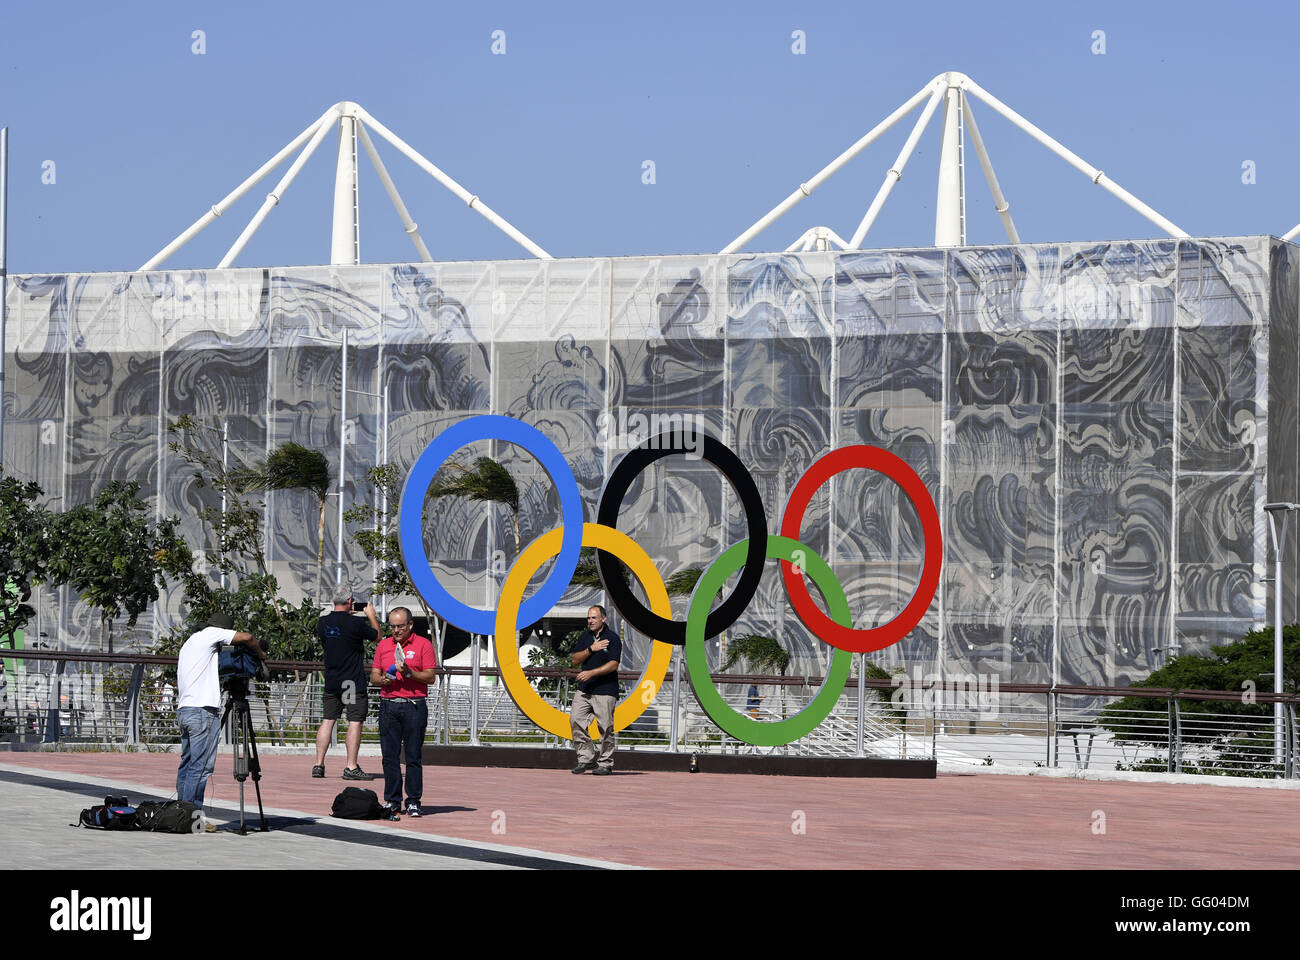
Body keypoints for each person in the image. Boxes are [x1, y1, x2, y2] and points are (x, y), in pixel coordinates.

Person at [176, 612, 264, 819]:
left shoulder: (191, 643)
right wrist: (260, 653)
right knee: (201, 767)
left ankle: (179, 812)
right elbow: (248, 638)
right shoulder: (211, 634)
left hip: (186, 710)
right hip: (202, 712)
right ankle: (190, 816)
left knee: (188, 764)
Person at [370, 607, 437, 817]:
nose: (396, 631)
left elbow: (430, 677)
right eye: (392, 626)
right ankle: (392, 800)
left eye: (400, 626)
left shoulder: (423, 645)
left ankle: (414, 800)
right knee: (389, 756)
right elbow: (374, 676)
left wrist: (409, 673)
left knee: (413, 756)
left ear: (410, 625)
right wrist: (383, 680)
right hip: (389, 704)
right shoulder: (383, 645)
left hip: (414, 705)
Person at [312, 588, 381, 780]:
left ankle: (318, 764)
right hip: (350, 681)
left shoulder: (322, 622)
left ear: (333, 600)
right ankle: (351, 766)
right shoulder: (355, 623)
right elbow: (377, 636)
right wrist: (371, 616)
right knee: (354, 721)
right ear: (350, 601)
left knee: (328, 720)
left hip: (332, 679)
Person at [569, 605, 621, 775]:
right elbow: (575, 659)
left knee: (605, 727)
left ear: (603, 619)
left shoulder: (612, 638)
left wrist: (591, 672)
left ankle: (605, 763)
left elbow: (614, 664)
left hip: (605, 690)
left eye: (594, 618)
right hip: (584, 690)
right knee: (576, 720)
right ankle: (586, 758)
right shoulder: (586, 637)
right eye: (589, 618)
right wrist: (591, 649)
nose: (590, 621)